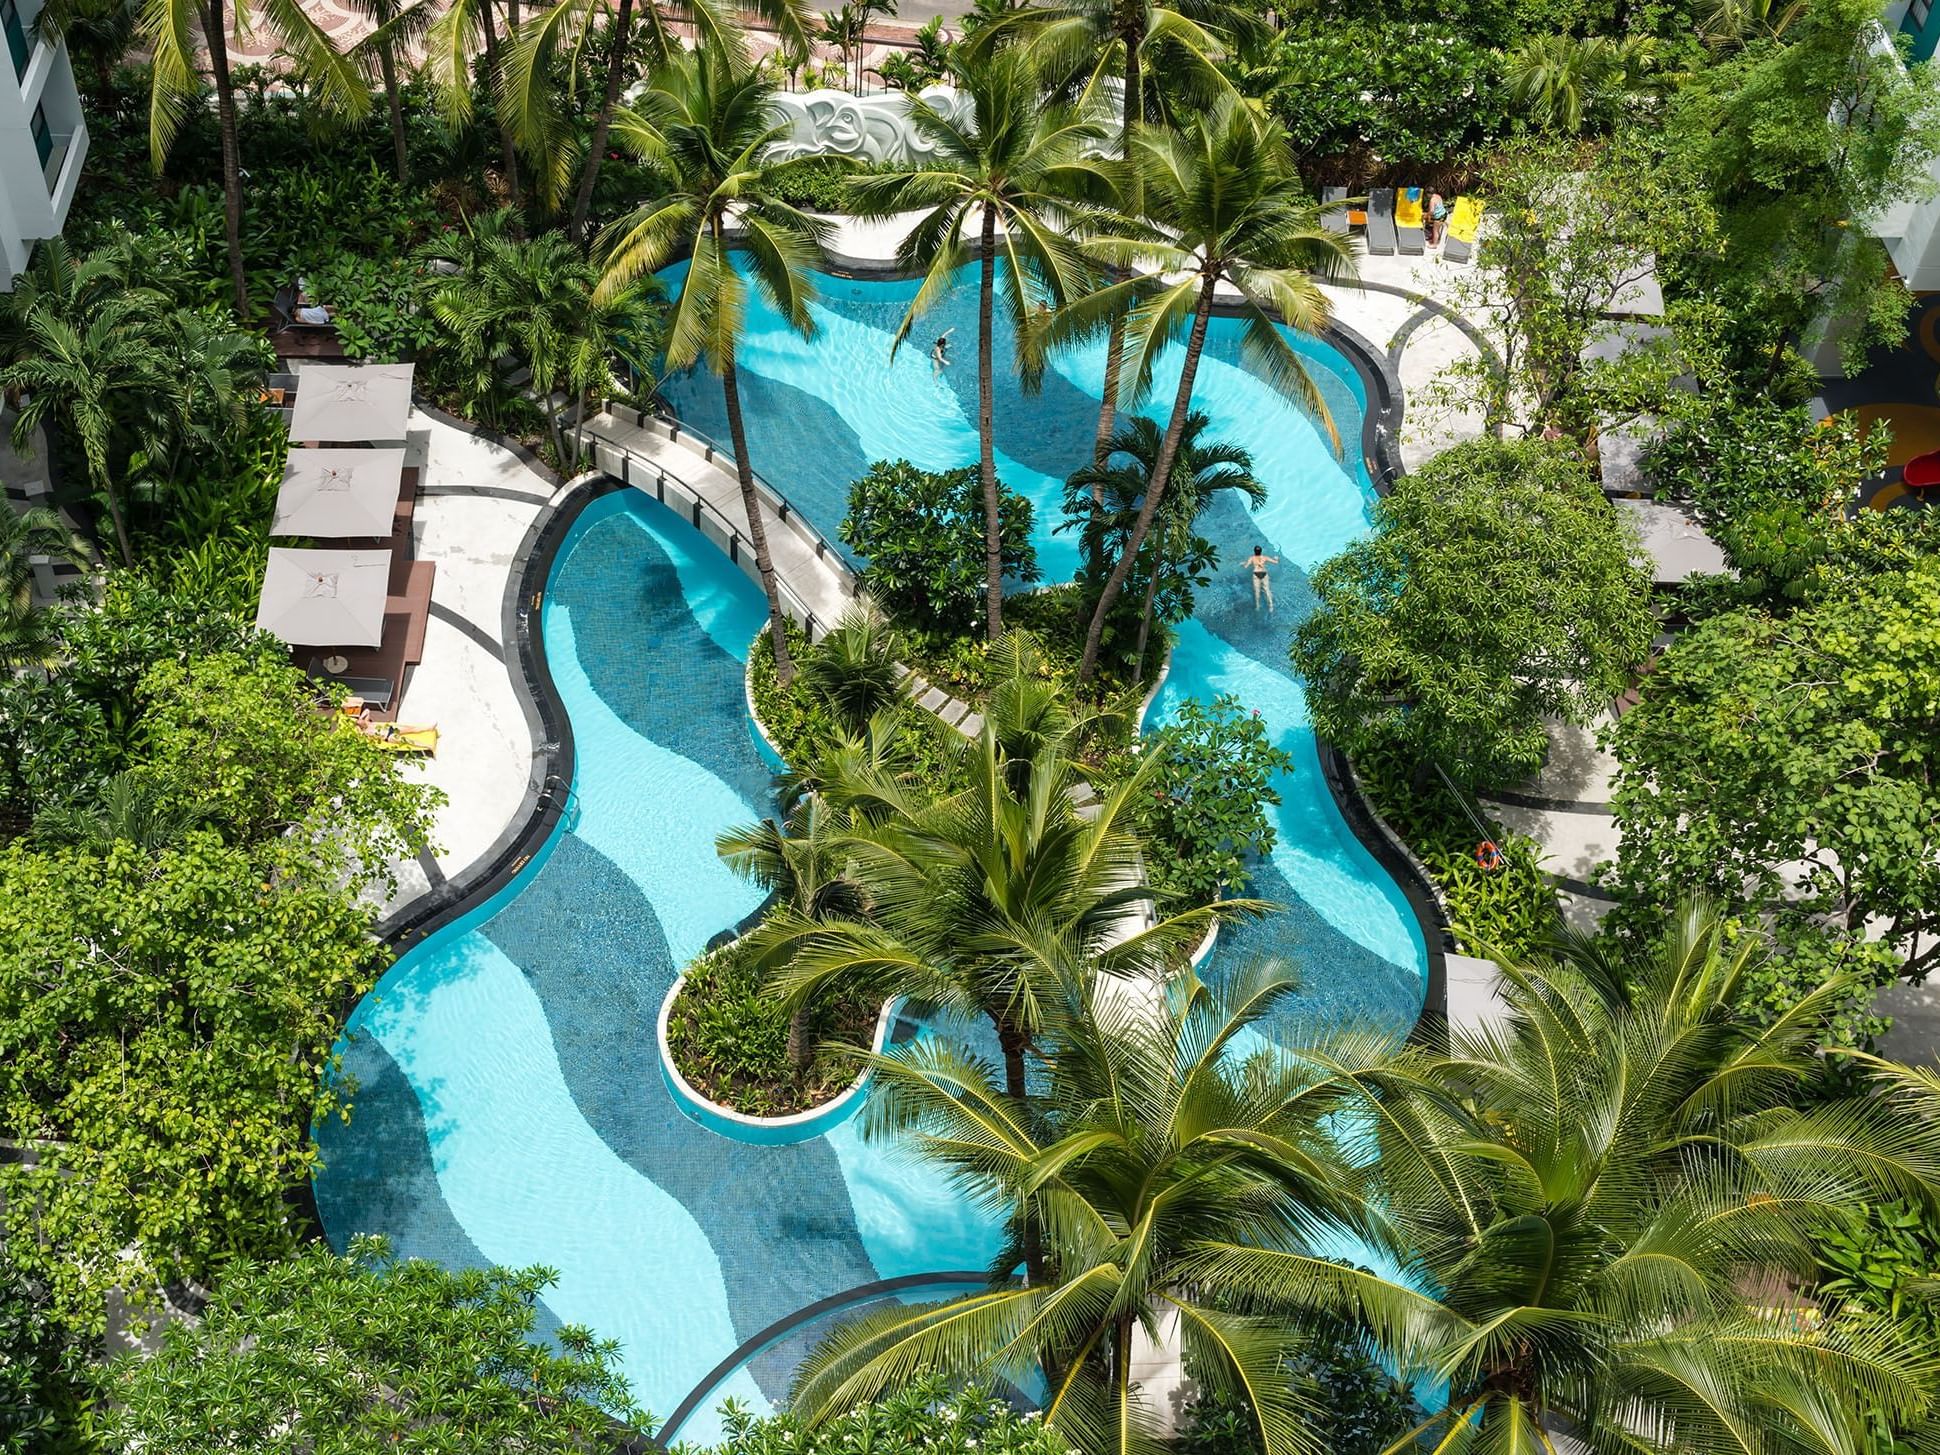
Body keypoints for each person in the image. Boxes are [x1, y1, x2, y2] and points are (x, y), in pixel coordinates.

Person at [1246, 545, 1279, 612]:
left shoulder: (1252, 558)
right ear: (1261, 551)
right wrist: (1276, 558)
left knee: (1257, 591)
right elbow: (1276, 562)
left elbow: (1246, 566)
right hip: (1264, 573)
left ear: (1254, 551)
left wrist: (1243, 563)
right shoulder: (1265, 557)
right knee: (1267, 590)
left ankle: (1258, 606)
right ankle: (1271, 607)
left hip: (1256, 574)